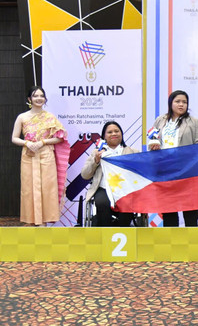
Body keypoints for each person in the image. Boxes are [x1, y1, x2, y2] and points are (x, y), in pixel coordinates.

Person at [11, 86, 69, 226]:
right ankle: (32, 221)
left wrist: (43, 142)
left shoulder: (50, 117)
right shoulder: (22, 117)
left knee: (47, 188)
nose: (39, 98)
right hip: (29, 155)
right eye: (35, 96)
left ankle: (44, 222)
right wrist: (27, 143)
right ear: (29, 99)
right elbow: (14, 138)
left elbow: (60, 138)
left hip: (46, 155)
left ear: (45, 99)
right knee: (29, 189)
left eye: (41, 96)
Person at [150, 90, 198, 226]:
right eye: (177, 101)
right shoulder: (160, 120)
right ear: (170, 103)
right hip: (165, 169)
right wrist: (153, 145)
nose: (181, 105)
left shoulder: (193, 121)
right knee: (169, 209)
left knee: (190, 209)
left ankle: (191, 237)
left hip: (187, 170)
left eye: (184, 102)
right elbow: (153, 139)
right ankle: (171, 237)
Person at [81, 121, 138, 227]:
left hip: (126, 189)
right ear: (104, 136)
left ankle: (123, 231)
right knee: (102, 202)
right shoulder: (97, 152)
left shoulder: (133, 152)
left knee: (127, 202)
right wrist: (95, 161)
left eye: (116, 131)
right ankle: (105, 232)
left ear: (121, 134)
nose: (114, 134)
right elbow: (85, 174)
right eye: (110, 132)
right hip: (104, 188)